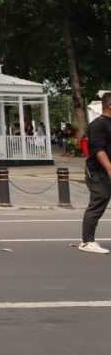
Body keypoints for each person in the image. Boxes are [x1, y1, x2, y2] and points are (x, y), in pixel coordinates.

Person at [79, 92, 111, 254]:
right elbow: (99, 150)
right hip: (98, 172)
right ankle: (87, 242)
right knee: (98, 203)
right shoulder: (98, 125)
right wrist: (110, 169)